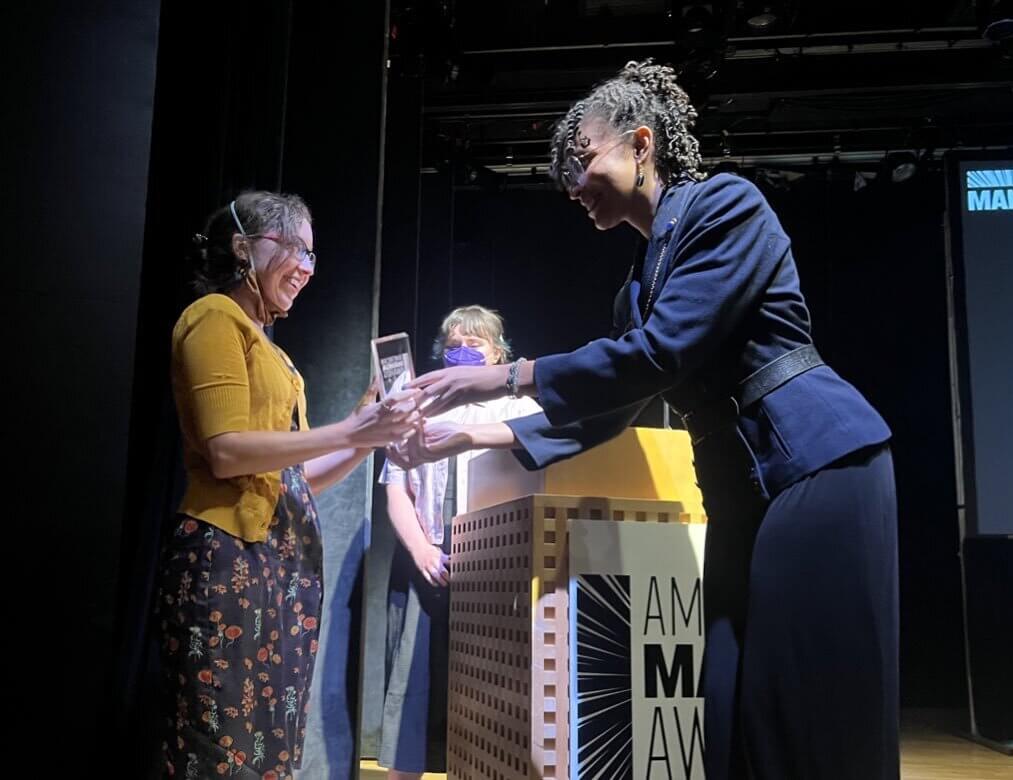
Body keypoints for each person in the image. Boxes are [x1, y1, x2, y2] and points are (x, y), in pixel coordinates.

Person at [395, 60, 899, 780]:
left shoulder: (728, 206)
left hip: (820, 467)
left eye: (583, 157)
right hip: (742, 492)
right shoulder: (636, 289)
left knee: (806, 713)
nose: (572, 182)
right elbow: (607, 410)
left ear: (640, 143)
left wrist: (504, 376)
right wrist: (473, 433)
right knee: (720, 712)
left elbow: (660, 355)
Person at [156, 190, 418, 778]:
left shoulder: (272, 347)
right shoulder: (214, 318)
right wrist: (350, 427)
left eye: (312, 254)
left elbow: (292, 479)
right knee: (221, 744)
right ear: (244, 248)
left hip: (275, 568)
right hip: (228, 561)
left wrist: (364, 435)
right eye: (295, 248)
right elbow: (225, 451)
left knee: (269, 745)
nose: (305, 267)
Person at [377, 305, 540, 779]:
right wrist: (422, 550)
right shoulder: (418, 408)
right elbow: (396, 491)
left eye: (475, 345)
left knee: (493, 698)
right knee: (412, 686)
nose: (463, 353)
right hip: (431, 560)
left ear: (497, 354)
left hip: (497, 569)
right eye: (454, 346)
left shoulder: (518, 407)